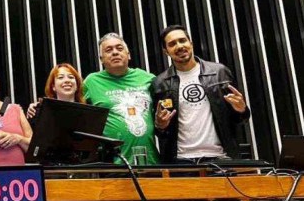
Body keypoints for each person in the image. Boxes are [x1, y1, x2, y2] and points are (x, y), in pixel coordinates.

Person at [152, 25, 251, 163]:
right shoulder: (160, 83)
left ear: (190, 43)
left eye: (182, 40)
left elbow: (239, 119)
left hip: (220, 157)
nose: (179, 46)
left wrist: (241, 109)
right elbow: (161, 131)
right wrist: (160, 125)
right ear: (166, 51)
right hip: (180, 160)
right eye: (172, 44)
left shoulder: (219, 72)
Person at [83, 32, 159, 164]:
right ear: (101, 59)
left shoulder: (148, 78)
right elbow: (70, 105)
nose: (115, 53)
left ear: (128, 54)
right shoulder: (91, 82)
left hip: (151, 162)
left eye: (119, 48)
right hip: (112, 165)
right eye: (108, 50)